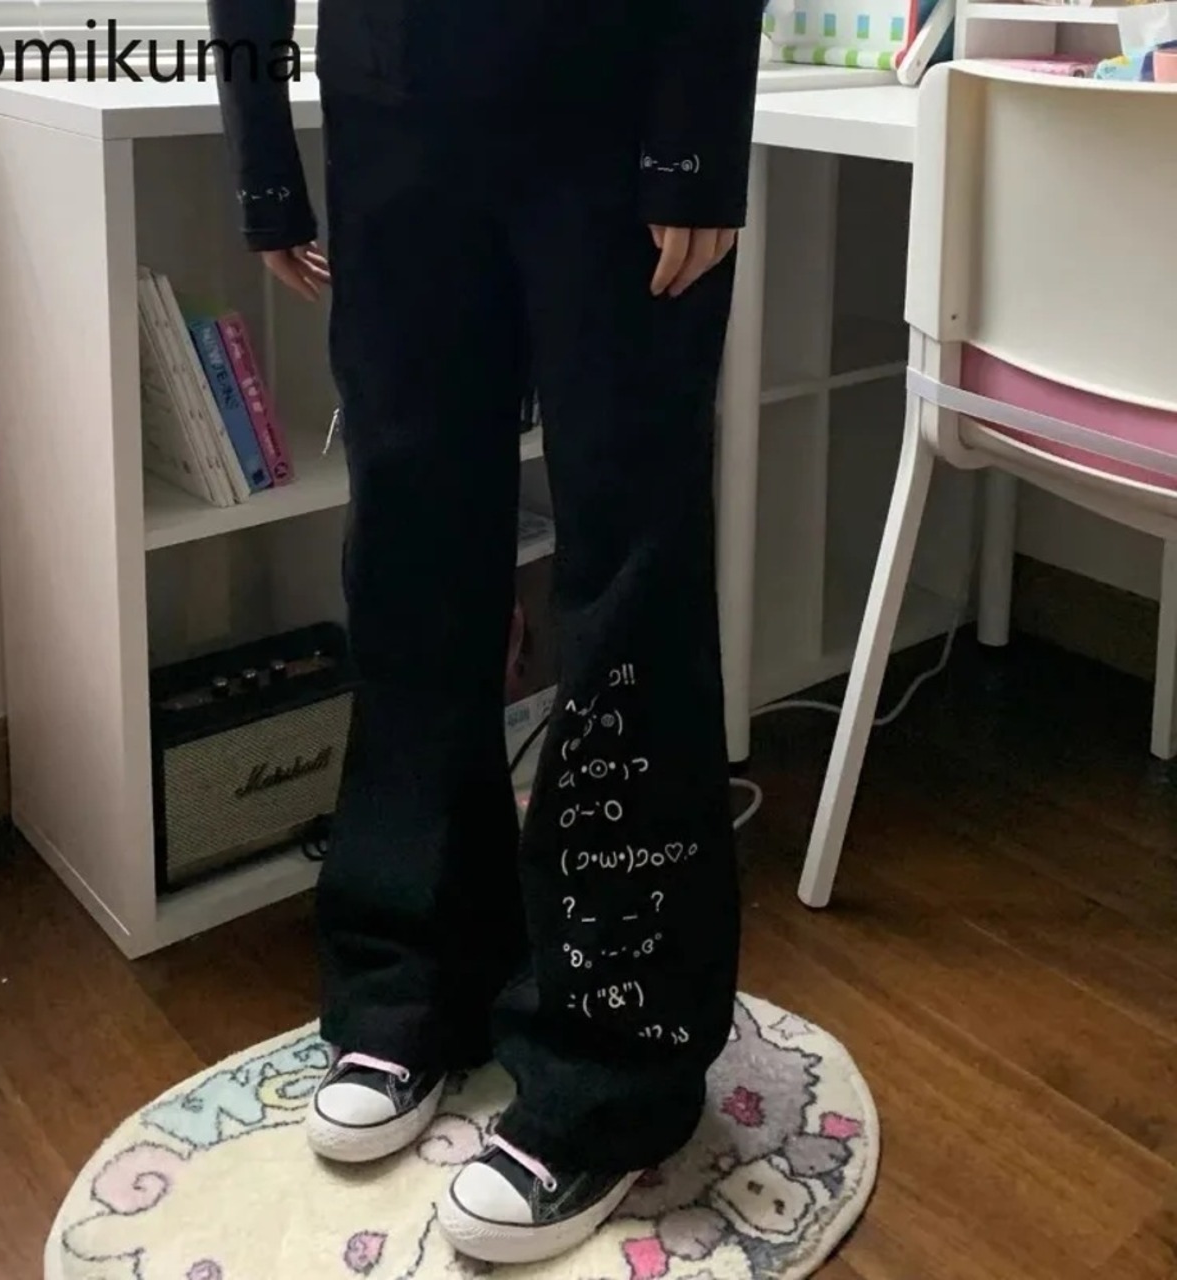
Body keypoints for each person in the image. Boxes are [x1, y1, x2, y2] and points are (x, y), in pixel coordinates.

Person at [205, 0, 763, 1264]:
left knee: (629, 566)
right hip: (387, 106)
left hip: (614, 98)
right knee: (408, 545)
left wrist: (695, 137)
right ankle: (410, 972)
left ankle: (614, 1055)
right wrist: (261, 154)